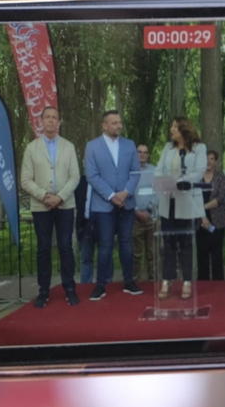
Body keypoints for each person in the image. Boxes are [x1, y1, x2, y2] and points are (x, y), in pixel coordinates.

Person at [19, 107, 81, 307]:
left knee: (65, 247)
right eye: (48, 117)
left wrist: (60, 197)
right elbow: (26, 180)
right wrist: (44, 196)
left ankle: (70, 288)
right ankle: (43, 291)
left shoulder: (69, 147)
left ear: (59, 122)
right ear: (41, 121)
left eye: (55, 117)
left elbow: (75, 176)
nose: (51, 121)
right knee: (44, 249)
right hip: (41, 206)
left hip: (65, 205)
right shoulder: (32, 148)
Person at [82, 111, 145, 301]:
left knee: (126, 243)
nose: (119, 126)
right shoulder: (92, 146)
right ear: (104, 126)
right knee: (105, 245)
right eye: (114, 123)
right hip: (103, 205)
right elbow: (92, 176)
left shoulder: (129, 144)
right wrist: (111, 196)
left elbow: (135, 172)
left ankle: (129, 282)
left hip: (126, 202)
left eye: (120, 122)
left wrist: (125, 193)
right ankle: (101, 285)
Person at [154, 119, 207, 299]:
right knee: (168, 243)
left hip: (187, 200)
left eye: (175, 127)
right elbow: (159, 169)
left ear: (184, 129)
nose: (171, 130)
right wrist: (163, 182)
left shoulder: (199, 148)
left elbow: (199, 171)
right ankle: (167, 281)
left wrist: (180, 183)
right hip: (168, 201)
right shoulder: (168, 148)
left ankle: (186, 281)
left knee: (185, 243)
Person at [196, 149, 225, 281]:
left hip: (217, 220)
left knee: (217, 254)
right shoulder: (197, 177)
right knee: (202, 253)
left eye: (211, 159)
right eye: (206, 159)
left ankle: (218, 285)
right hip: (200, 221)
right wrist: (202, 215)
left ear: (216, 162)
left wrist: (202, 208)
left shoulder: (221, 177)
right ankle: (203, 284)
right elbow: (193, 197)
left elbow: (221, 198)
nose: (208, 161)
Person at [130, 142, 158, 282]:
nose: (142, 154)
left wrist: (149, 210)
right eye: (139, 152)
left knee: (152, 252)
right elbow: (127, 193)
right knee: (136, 253)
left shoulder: (154, 171)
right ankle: (135, 281)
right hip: (135, 218)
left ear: (148, 155)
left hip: (151, 217)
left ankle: (153, 281)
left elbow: (158, 193)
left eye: (145, 152)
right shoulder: (129, 172)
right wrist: (137, 211)